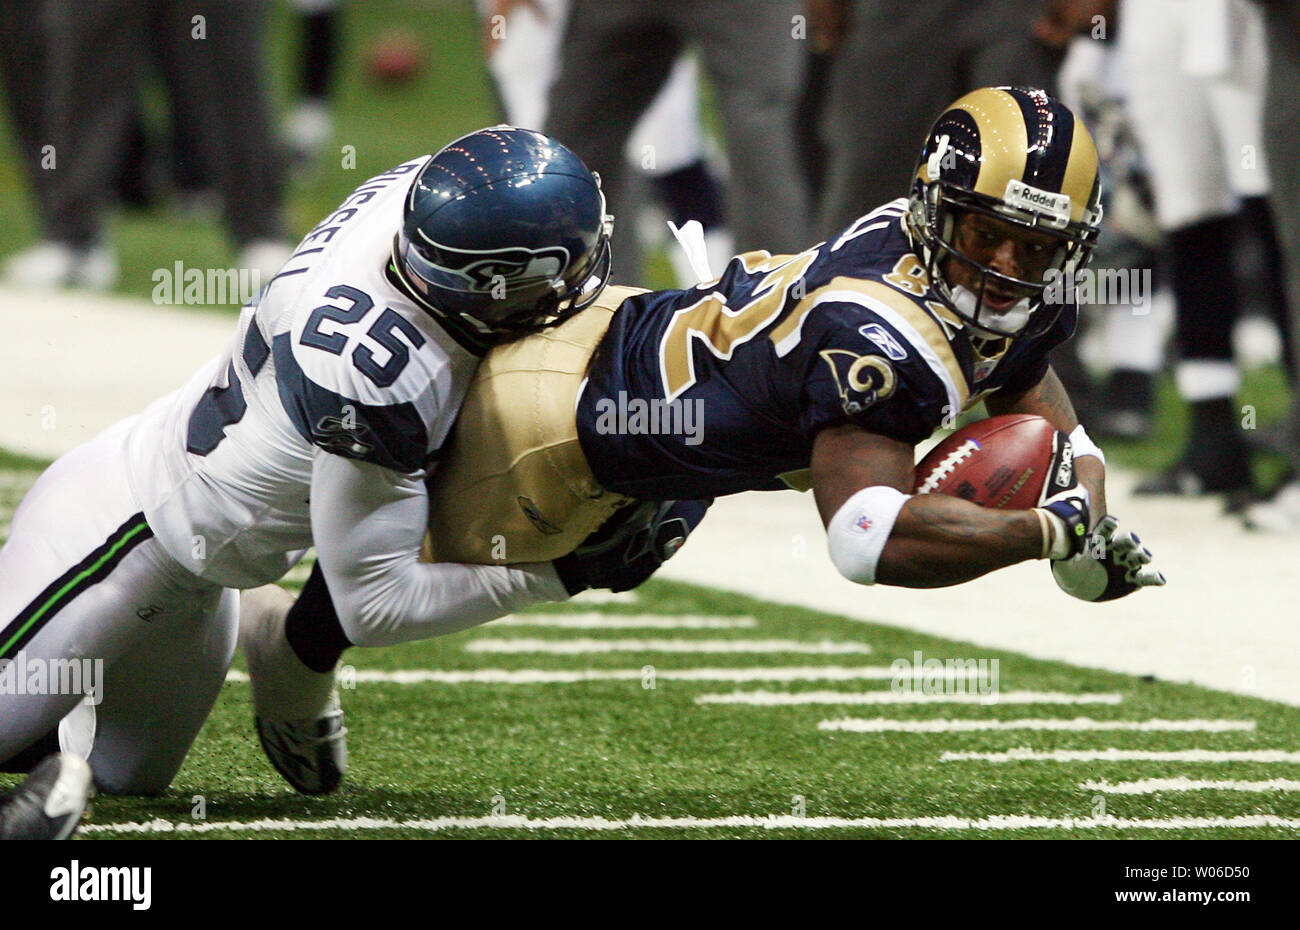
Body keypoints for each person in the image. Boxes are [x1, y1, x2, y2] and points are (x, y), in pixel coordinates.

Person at [246, 87, 1166, 798]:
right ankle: (280, 648)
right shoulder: (882, 336)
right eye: (990, 235)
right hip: (560, 426)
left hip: (639, 351)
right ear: (940, 210)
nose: (1006, 269)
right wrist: (1046, 534)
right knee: (384, 572)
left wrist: (1087, 504)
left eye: (1035, 249)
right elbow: (865, 539)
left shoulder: (962, 270)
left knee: (441, 505)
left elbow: (1034, 394)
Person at [0, 126, 615, 839]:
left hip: (205, 565)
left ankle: (255, 622)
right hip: (119, 528)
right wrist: (561, 573)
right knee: (14, 737)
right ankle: (49, 697)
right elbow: (374, 604)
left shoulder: (426, 200)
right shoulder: (372, 370)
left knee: (130, 777)